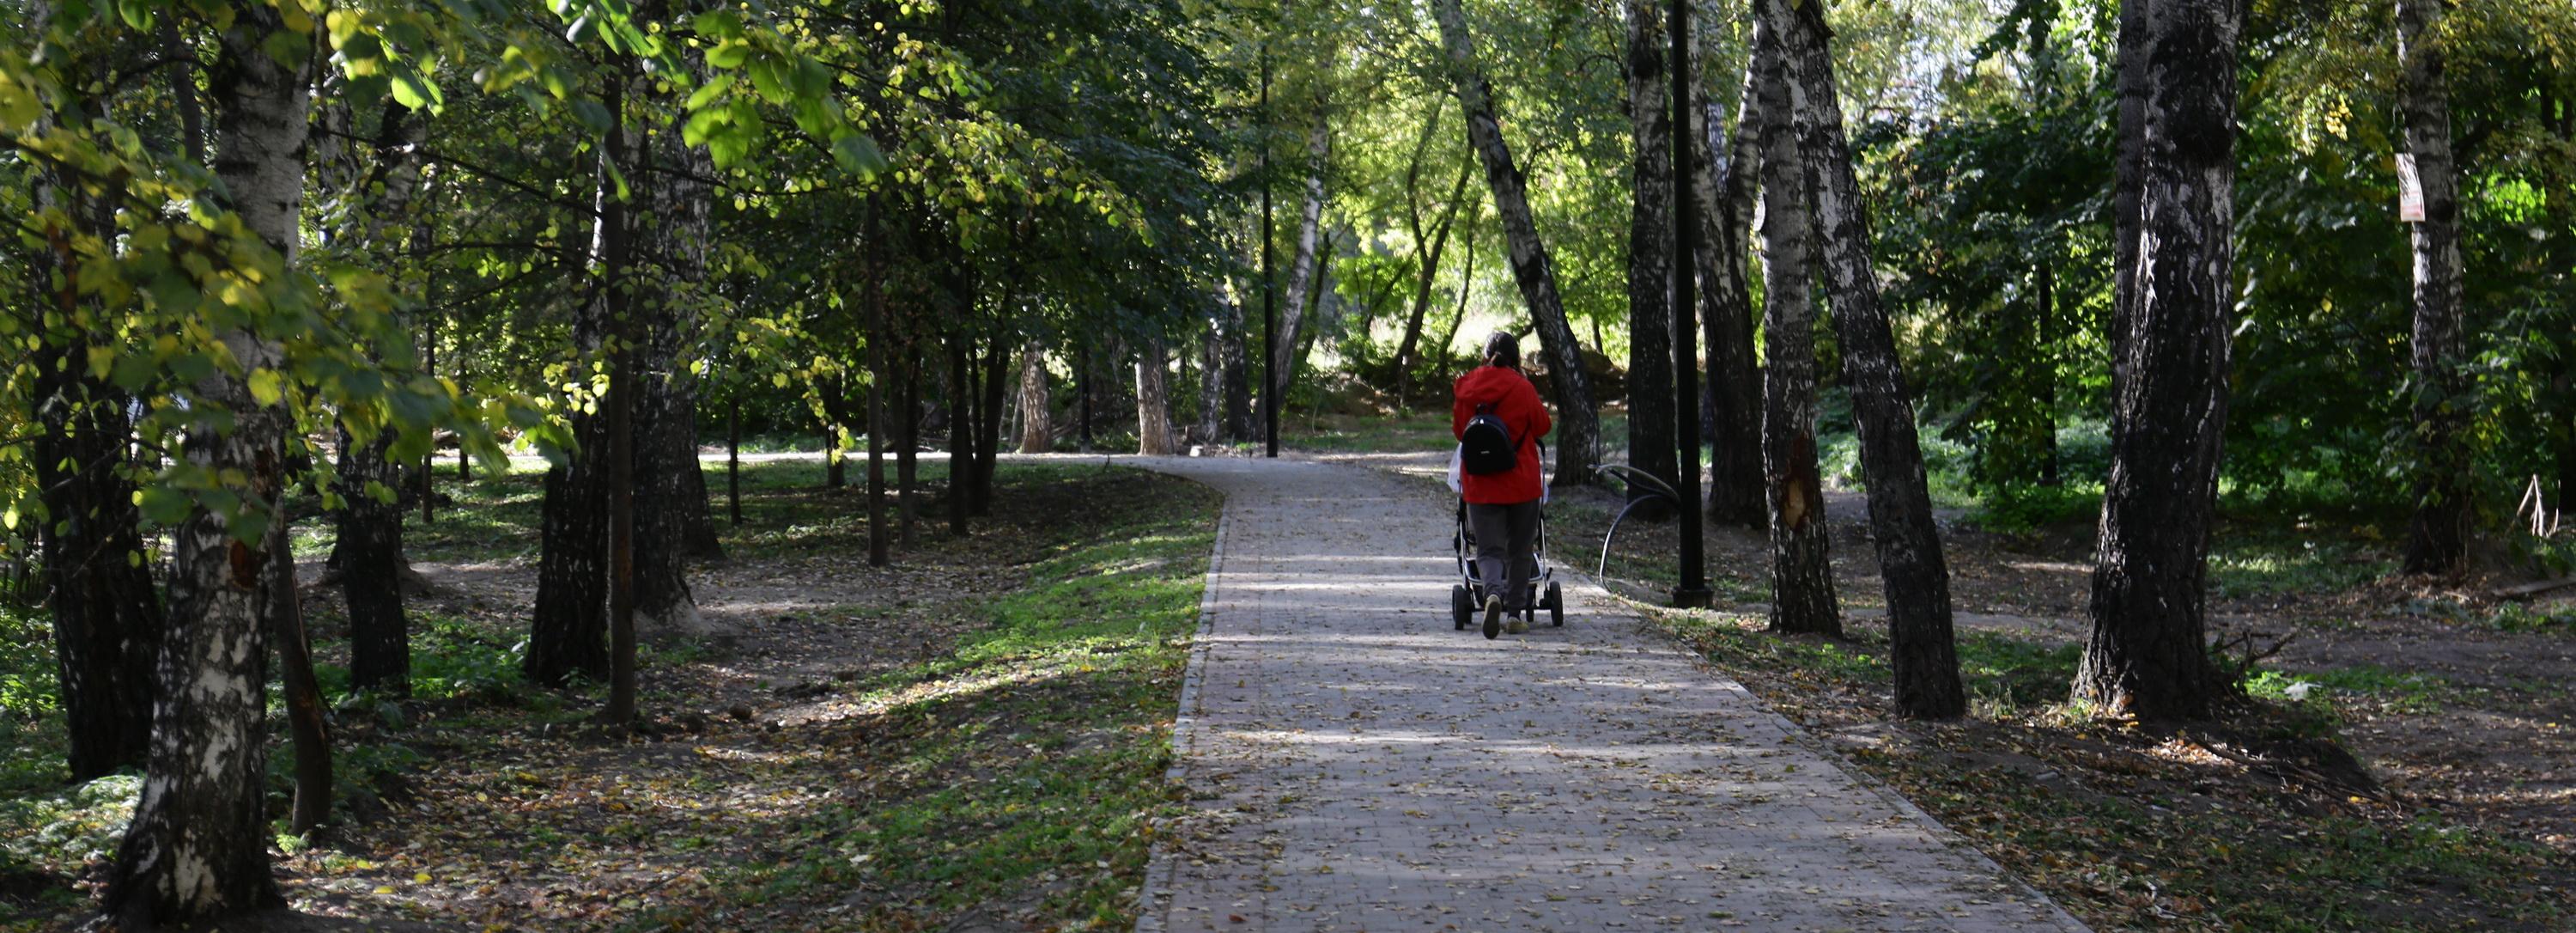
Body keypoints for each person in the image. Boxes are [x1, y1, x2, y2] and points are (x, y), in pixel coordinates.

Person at [1453, 330, 1552, 637]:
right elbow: (1542, 426)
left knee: (1488, 549)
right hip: (1521, 482)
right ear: (1517, 358)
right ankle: (1514, 614)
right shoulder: (1523, 388)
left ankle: (1492, 593)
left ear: (1484, 356)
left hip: (1481, 483)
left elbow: (1460, 431)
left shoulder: (1467, 386)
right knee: (1520, 550)